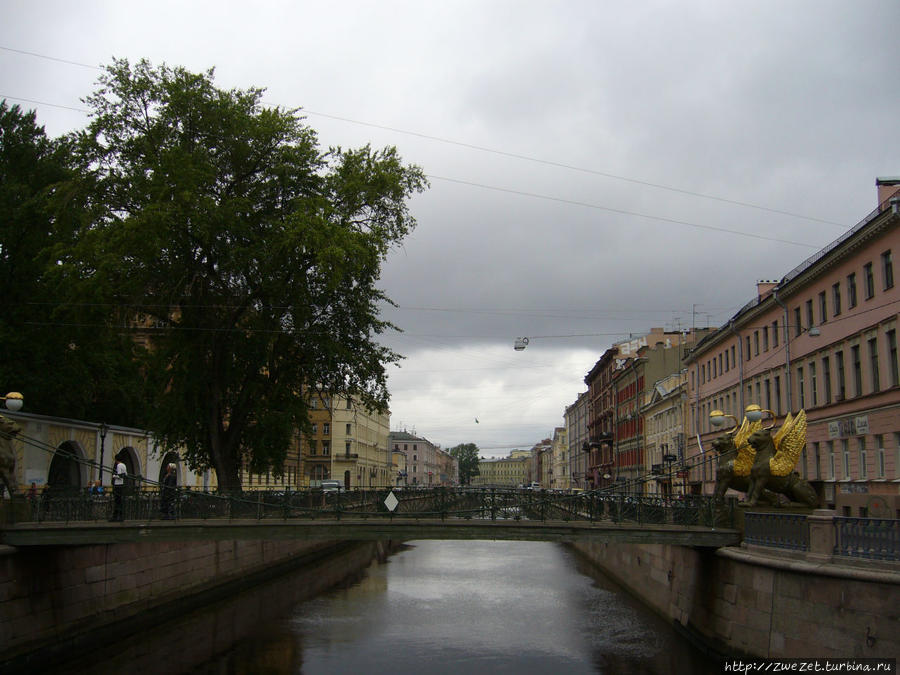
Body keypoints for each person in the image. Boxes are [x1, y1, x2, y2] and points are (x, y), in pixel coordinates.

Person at [110, 455, 126, 521]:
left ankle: (116, 517)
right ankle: (120, 516)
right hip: (122, 485)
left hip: (117, 485)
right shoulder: (124, 465)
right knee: (119, 501)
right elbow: (125, 474)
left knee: (117, 501)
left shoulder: (119, 465)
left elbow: (119, 475)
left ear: (116, 460)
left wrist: (114, 476)